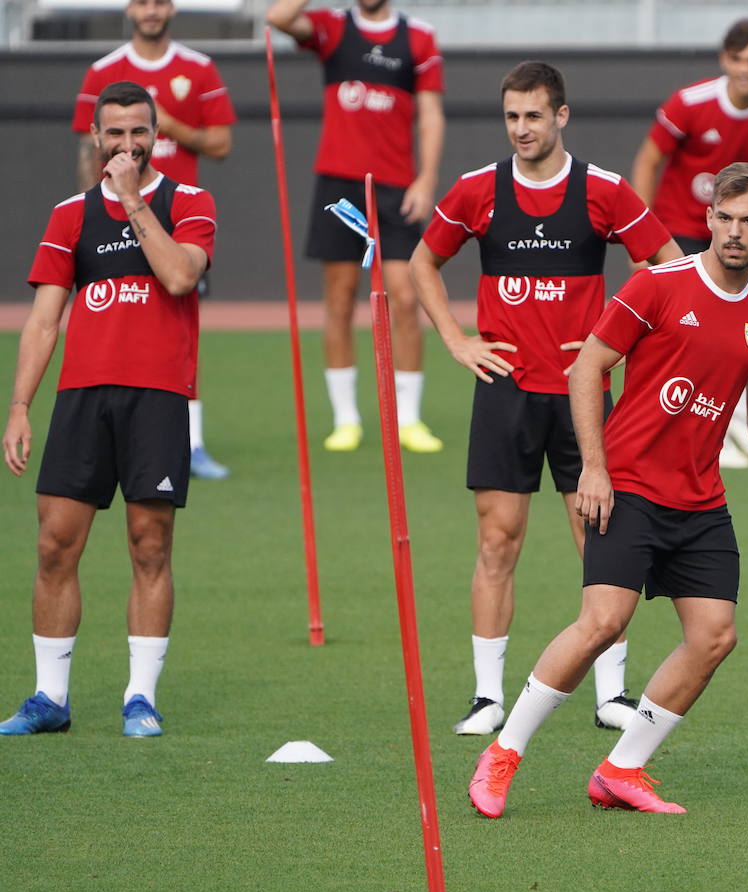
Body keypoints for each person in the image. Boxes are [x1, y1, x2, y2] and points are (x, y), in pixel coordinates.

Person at [465, 163, 748, 817]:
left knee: (714, 636)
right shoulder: (658, 286)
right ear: (708, 219)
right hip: (631, 488)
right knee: (601, 624)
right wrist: (594, 468)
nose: (734, 233)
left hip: (700, 500)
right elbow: (587, 367)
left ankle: (623, 768)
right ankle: (502, 754)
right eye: (724, 218)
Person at [410, 61, 682, 736]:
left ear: (562, 116)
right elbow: (422, 262)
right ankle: (486, 698)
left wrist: (618, 341)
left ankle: (611, 695)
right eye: (511, 116)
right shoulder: (479, 190)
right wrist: (455, 340)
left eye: (534, 115)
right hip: (504, 390)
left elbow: (671, 269)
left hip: (582, 396)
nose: (521, 128)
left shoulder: (604, 190)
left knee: (601, 542)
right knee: (497, 540)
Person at [1, 81, 216, 738]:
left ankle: (140, 699)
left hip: (157, 399)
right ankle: (49, 698)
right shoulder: (69, 214)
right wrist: (18, 407)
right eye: (115, 133)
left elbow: (180, 275)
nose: (127, 144)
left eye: (139, 131)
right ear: (96, 137)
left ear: (157, 136)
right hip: (81, 400)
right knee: (53, 547)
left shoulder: (189, 202)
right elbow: (42, 323)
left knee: (150, 547)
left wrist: (129, 201)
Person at [267, 0, 444, 453]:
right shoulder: (333, 27)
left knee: (406, 299)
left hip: (396, 188)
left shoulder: (418, 37)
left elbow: (431, 113)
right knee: (340, 299)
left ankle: (409, 419)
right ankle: (346, 418)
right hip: (340, 187)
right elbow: (278, 17)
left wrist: (425, 179)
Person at [72, 0, 235, 480]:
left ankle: (192, 439)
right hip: (112, 218)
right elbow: (87, 148)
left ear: (171, 9)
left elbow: (222, 143)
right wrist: (90, 213)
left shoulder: (199, 68)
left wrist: (168, 124)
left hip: (173, 220)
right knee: (109, 325)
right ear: (130, 8)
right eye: (142, 2)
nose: (150, 11)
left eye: (159, 2)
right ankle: (107, 432)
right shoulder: (102, 71)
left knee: (181, 329)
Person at [631, 18, 748, 470]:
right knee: (686, 324)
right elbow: (648, 162)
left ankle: (745, 421)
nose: (746, 69)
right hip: (679, 227)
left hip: (740, 229)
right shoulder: (690, 103)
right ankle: (698, 422)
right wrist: (640, 238)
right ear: (725, 60)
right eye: (738, 59)